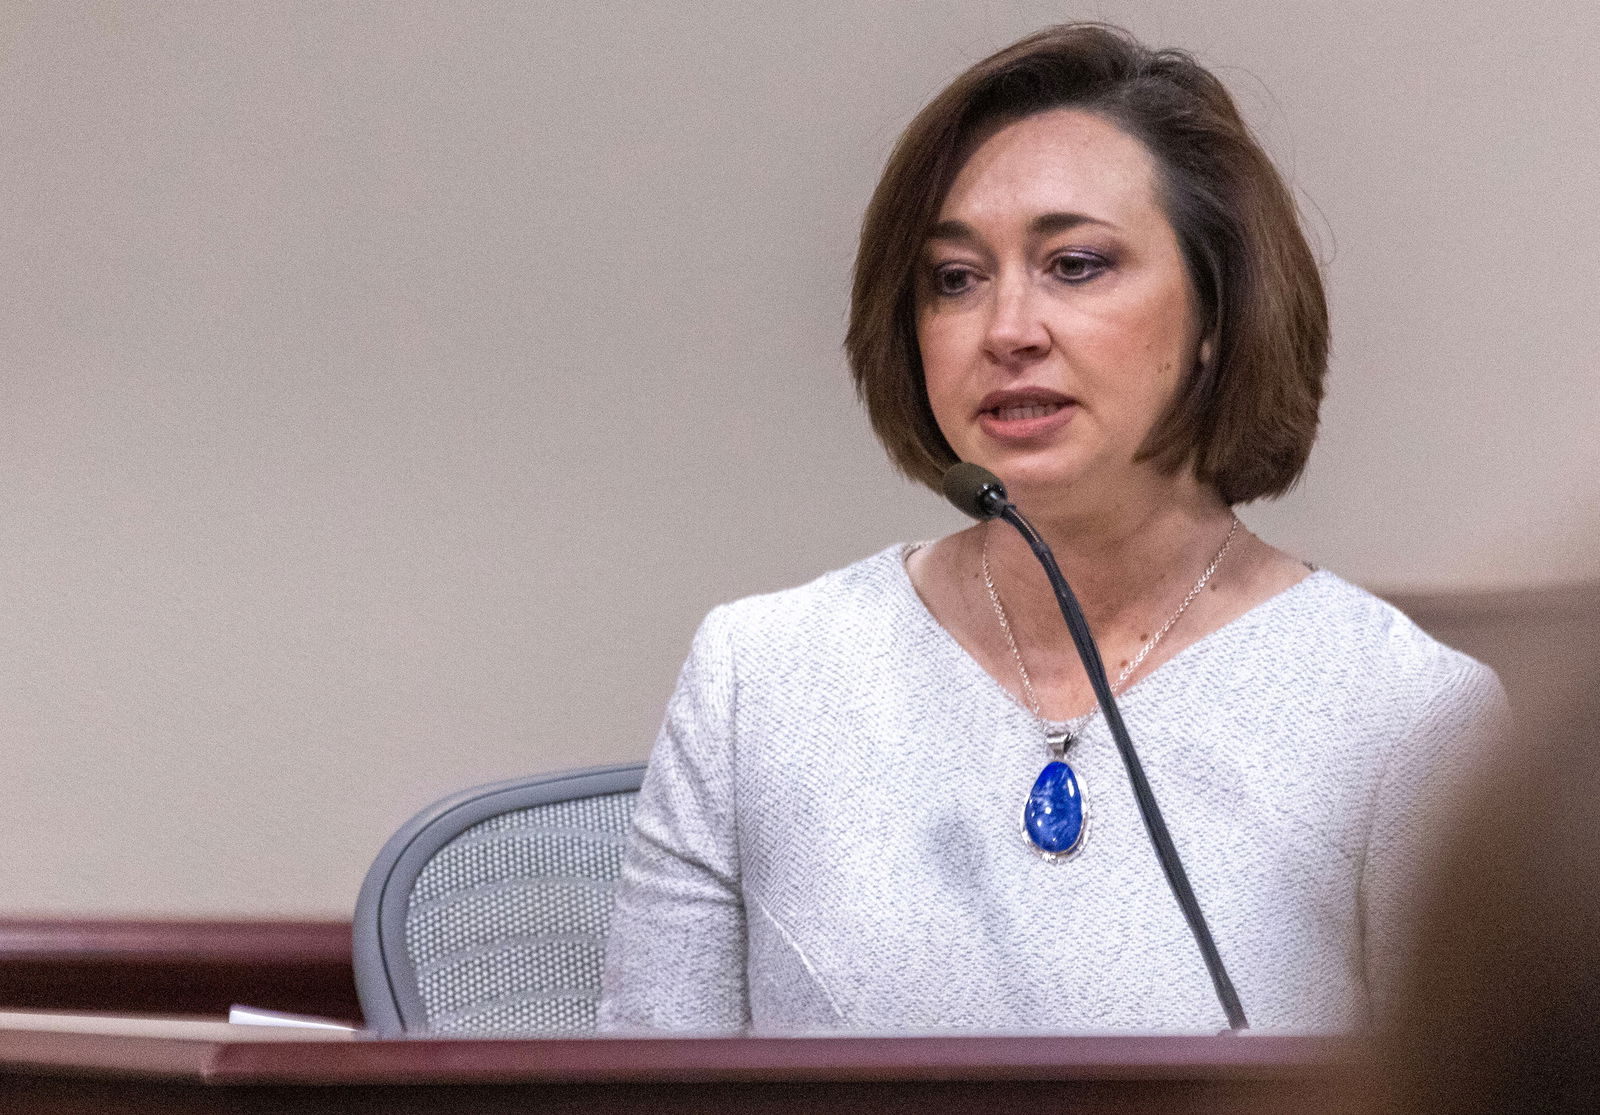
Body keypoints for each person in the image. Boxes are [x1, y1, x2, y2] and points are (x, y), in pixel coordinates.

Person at [597, 23, 1505, 1034]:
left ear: (1215, 311)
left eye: (1074, 264)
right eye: (954, 278)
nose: (1007, 329)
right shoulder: (759, 678)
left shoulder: (1404, 715)